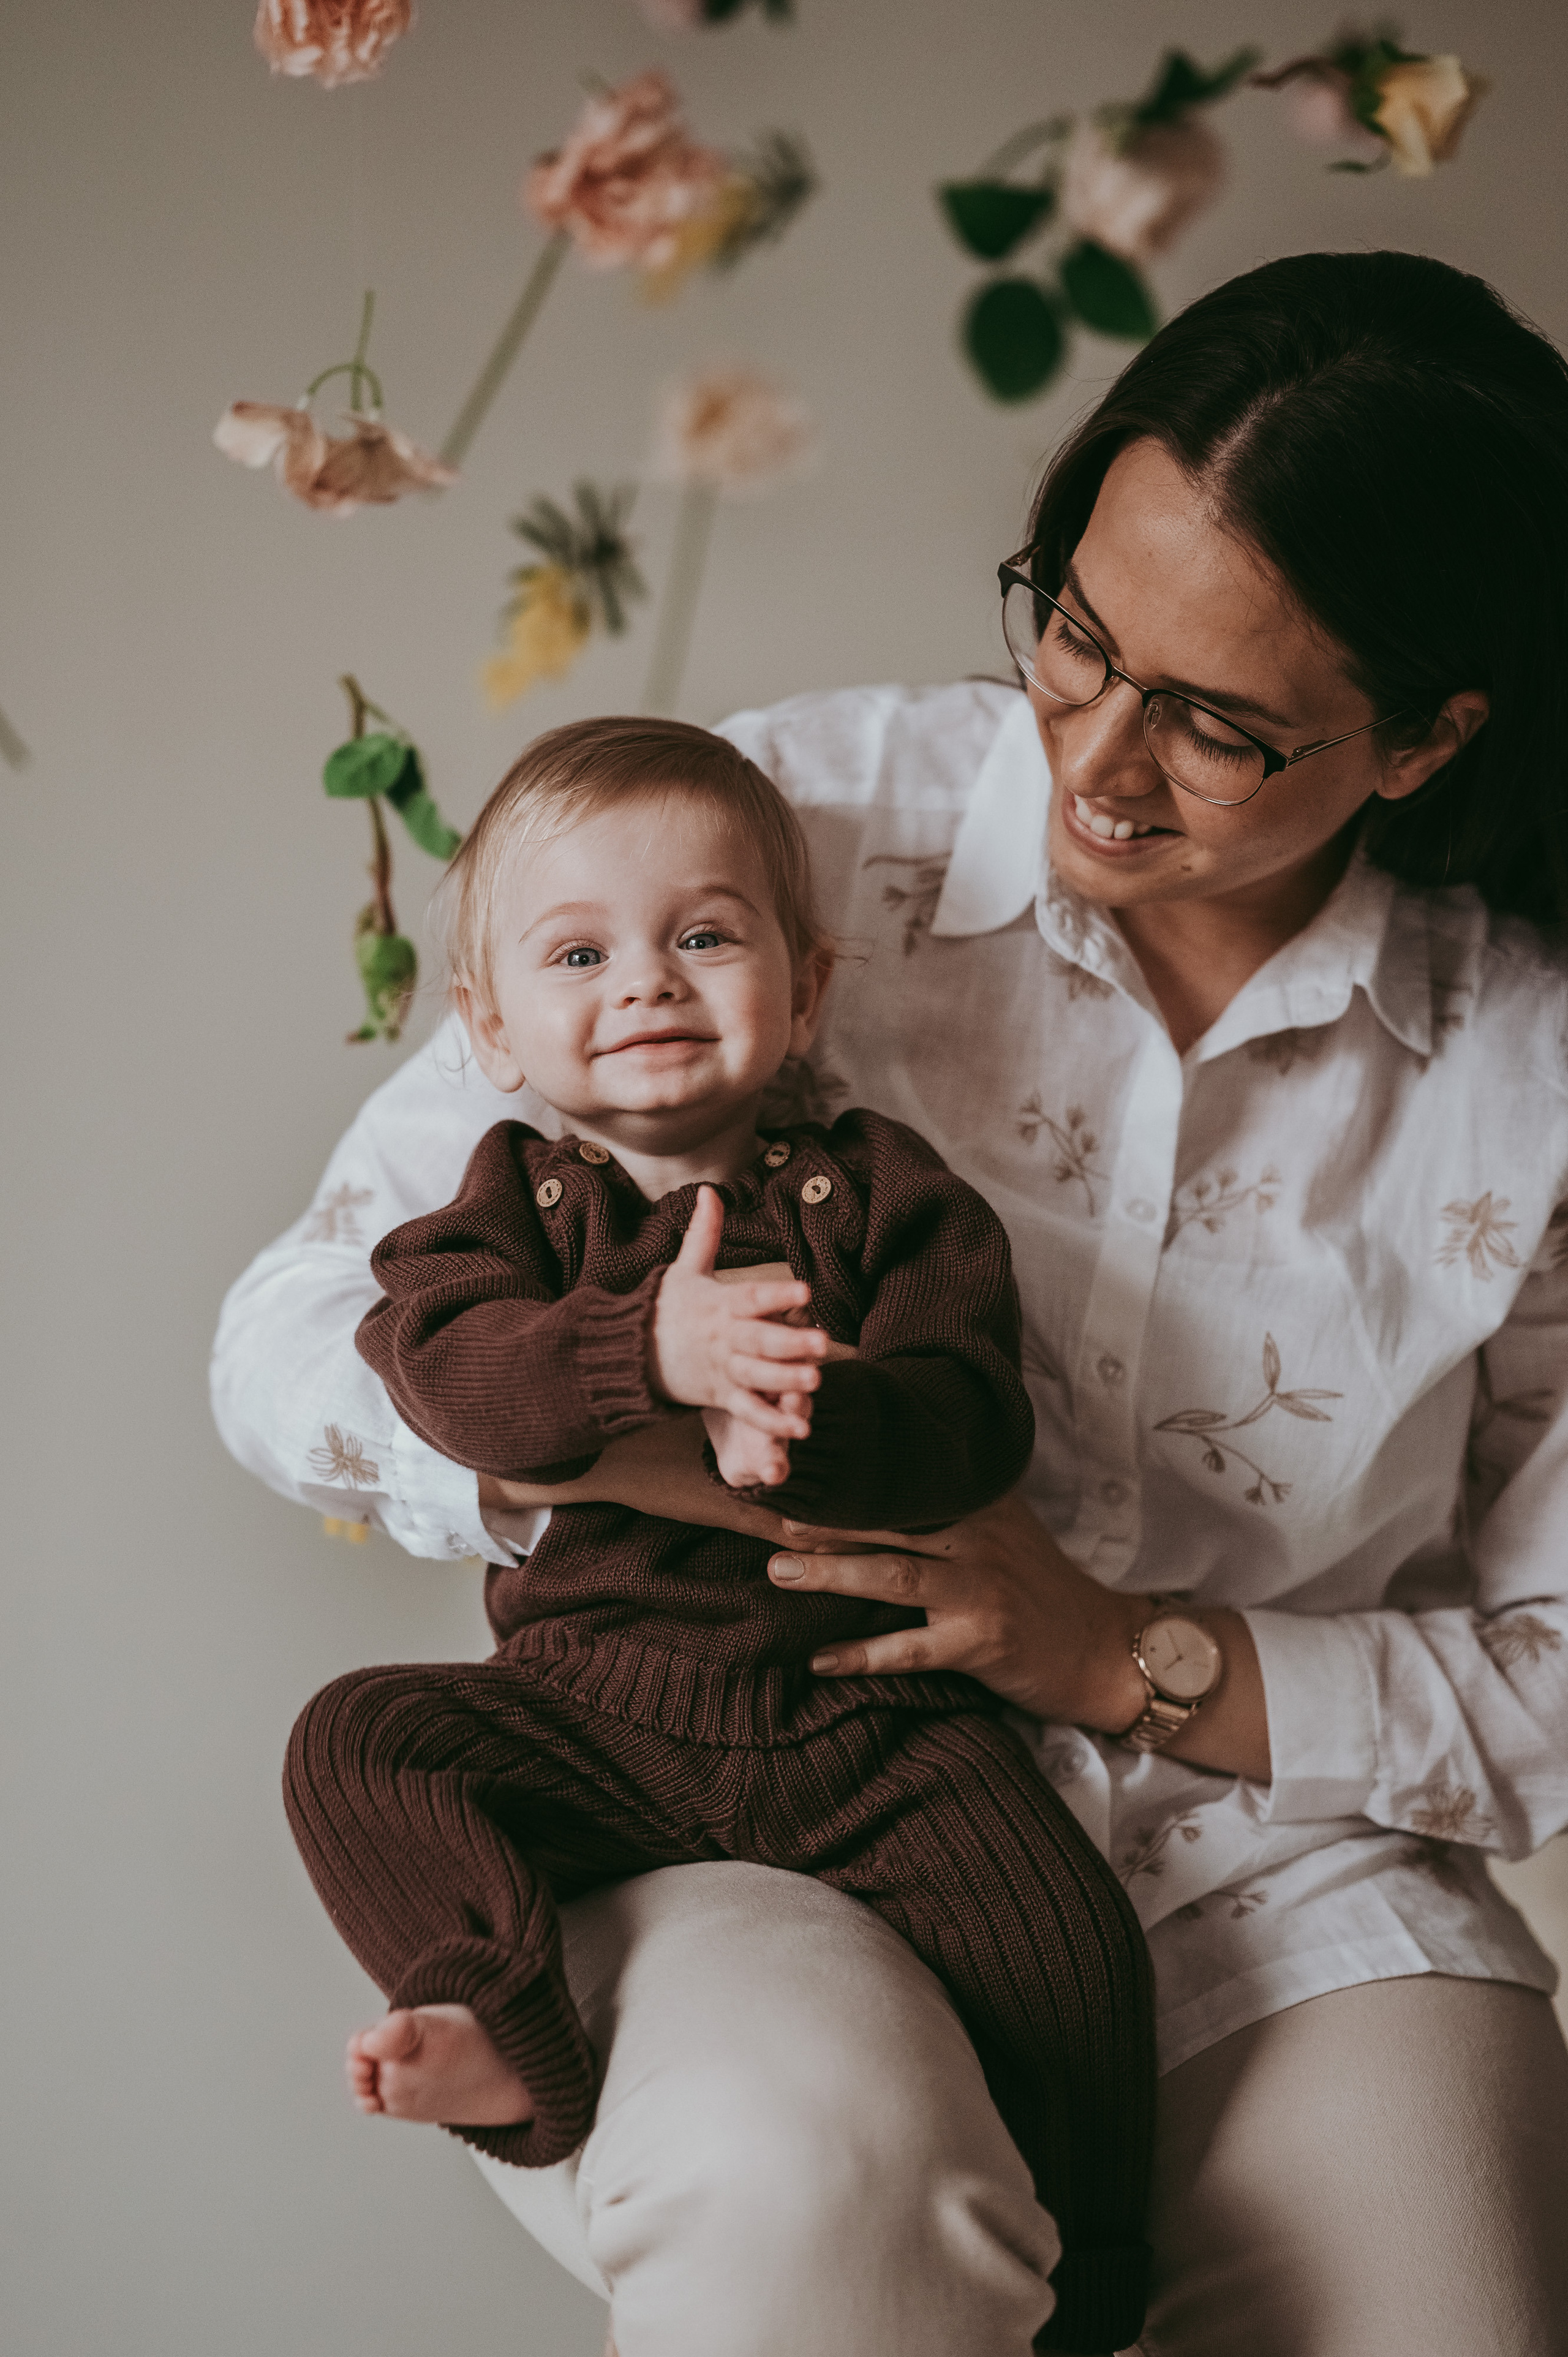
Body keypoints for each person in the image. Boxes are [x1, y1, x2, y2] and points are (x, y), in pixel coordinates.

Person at [212, 250, 1568, 2357]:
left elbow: (1560, 1674)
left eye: (1215, 726)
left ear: (1422, 736)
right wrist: (634, 1420)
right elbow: (299, 1330)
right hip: (744, 1790)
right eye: (1080, 639)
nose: (1099, 766)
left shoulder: (1535, 1069)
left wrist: (1132, 1659)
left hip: (1286, 1872)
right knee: (815, 2191)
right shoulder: (795, 829)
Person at [281, 717, 1156, 2356]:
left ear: (805, 987)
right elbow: (444, 1372)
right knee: (358, 1740)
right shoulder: (511, 1211)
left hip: (873, 1726)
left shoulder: (888, 1194)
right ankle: (505, 2024)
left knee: (1066, 1947)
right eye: (578, 952)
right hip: (595, 1721)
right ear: (491, 1025)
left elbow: (973, 1415)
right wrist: (648, 1363)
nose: (647, 984)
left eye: (704, 936)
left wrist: (814, 1425)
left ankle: (1096, 2287)